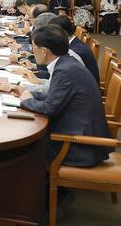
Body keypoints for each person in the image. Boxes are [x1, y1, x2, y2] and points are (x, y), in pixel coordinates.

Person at [11, 25, 112, 167]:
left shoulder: (65, 70)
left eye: (33, 47)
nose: (32, 51)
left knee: (23, 149)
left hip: (78, 146)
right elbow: (55, 97)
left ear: (44, 51)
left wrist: (27, 100)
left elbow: (49, 108)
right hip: (76, 133)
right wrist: (28, 93)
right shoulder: (66, 63)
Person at [49, 15, 100, 83]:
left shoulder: (75, 52)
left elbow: (64, 77)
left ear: (62, 32)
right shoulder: (73, 44)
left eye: (51, 34)